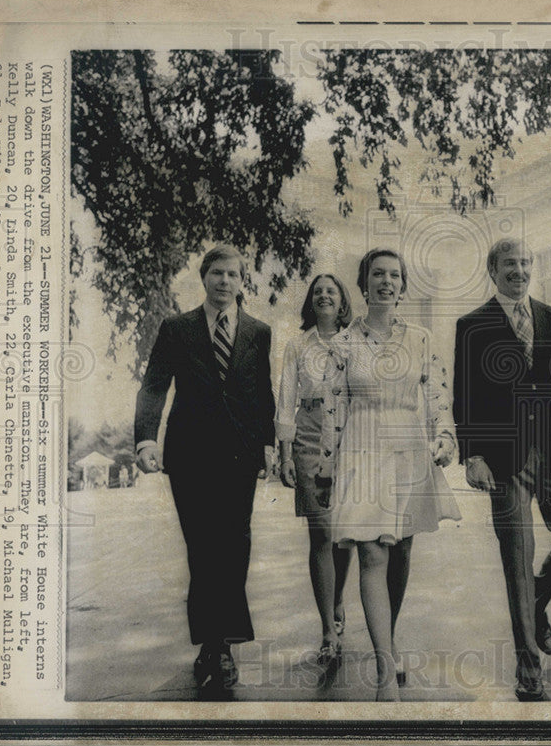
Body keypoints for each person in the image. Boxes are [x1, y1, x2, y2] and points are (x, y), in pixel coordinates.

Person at [453, 237, 551, 702]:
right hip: (504, 458)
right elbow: (465, 394)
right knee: (516, 561)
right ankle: (528, 669)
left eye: (525, 263)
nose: (519, 270)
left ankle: (535, 604)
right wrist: (471, 455)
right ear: (493, 270)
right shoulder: (472, 325)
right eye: (510, 263)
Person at [318, 248, 460, 701]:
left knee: (399, 553)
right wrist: (326, 465)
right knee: (373, 554)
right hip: (361, 446)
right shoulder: (342, 345)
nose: (386, 282)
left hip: (409, 447)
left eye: (394, 275)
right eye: (377, 274)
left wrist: (445, 437)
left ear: (402, 285)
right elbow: (332, 408)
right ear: (363, 284)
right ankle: (383, 670)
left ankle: (388, 639)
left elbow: (437, 394)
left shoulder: (419, 338)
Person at [134, 245, 276, 689]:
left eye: (233, 275)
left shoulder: (258, 331)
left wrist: (269, 445)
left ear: (241, 281)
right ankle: (209, 643)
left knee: (233, 549)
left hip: (239, 456)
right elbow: (154, 385)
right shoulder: (177, 329)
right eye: (217, 273)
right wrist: (144, 439)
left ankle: (224, 647)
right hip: (190, 456)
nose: (225, 282)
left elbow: (262, 394)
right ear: (204, 277)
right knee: (202, 550)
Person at [275, 274, 354, 671]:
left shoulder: (354, 341)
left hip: (348, 433)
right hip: (307, 435)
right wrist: (285, 454)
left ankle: (337, 598)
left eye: (331, 291)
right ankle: (327, 629)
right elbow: (286, 398)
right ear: (310, 301)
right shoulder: (297, 345)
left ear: (342, 302)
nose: (324, 295)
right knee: (321, 532)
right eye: (317, 291)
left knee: (344, 538)